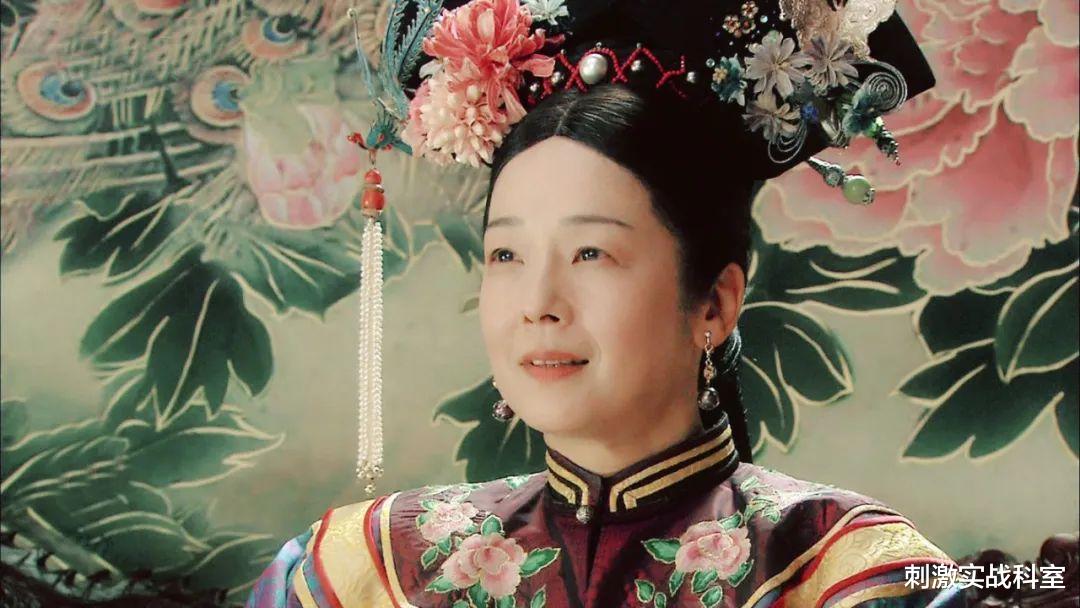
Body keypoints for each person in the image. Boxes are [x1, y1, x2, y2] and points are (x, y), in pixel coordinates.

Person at [247, 0, 970, 606]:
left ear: (714, 303)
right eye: (507, 255)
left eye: (591, 253)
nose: (538, 304)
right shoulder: (359, 571)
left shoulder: (847, 574)